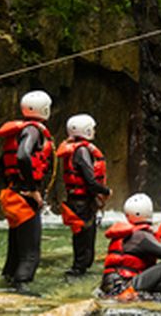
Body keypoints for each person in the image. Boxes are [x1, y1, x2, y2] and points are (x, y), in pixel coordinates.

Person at [0, 90, 54, 293]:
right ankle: (22, 292)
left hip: (12, 194)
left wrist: (13, 185)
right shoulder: (33, 131)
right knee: (30, 254)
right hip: (24, 197)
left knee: (15, 250)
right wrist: (31, 189)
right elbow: (22, 156)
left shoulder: (17, 131)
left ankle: (7, 284)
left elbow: (1, 165)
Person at [100, 193, 161, 301]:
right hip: (124, 288)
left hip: (110, 287)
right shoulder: (142, 237)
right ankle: (150, 299)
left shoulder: (125, 234)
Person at [57, 113, 111, 277]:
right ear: (86, 130)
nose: (94, 131)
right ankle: (78, 270)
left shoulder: (76, 149)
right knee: (83, 238)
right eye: (92, 128)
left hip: (78, 201)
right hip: (82, 203)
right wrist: (106, 191)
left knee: (83, 237)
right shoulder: (82, 151)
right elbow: (90, 181)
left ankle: (80, 268)